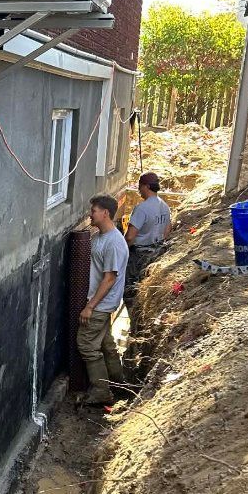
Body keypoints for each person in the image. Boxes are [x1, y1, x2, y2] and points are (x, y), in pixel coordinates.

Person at [77, 194, 129, 406]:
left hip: (100, 305)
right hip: (102, 304)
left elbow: (109, 278)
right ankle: (119, 383)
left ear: (105, 213)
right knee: (106, 344)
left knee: (87, 345)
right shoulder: (100, 237)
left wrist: (90, 306)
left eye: (94, 211)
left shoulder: (114, 243)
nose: (90, 214)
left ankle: (101, 392)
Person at [124, 171, 172, 327]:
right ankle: (142, 324)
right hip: (157, 253)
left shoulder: (142, 209)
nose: (138, 190)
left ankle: (135, 326)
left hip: (138, 256)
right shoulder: (164, 206)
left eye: (139, 187)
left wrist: (122, 252)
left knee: (131, 292)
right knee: (146, 293)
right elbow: (167, 229)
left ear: (145, 186)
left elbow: (130, 237)